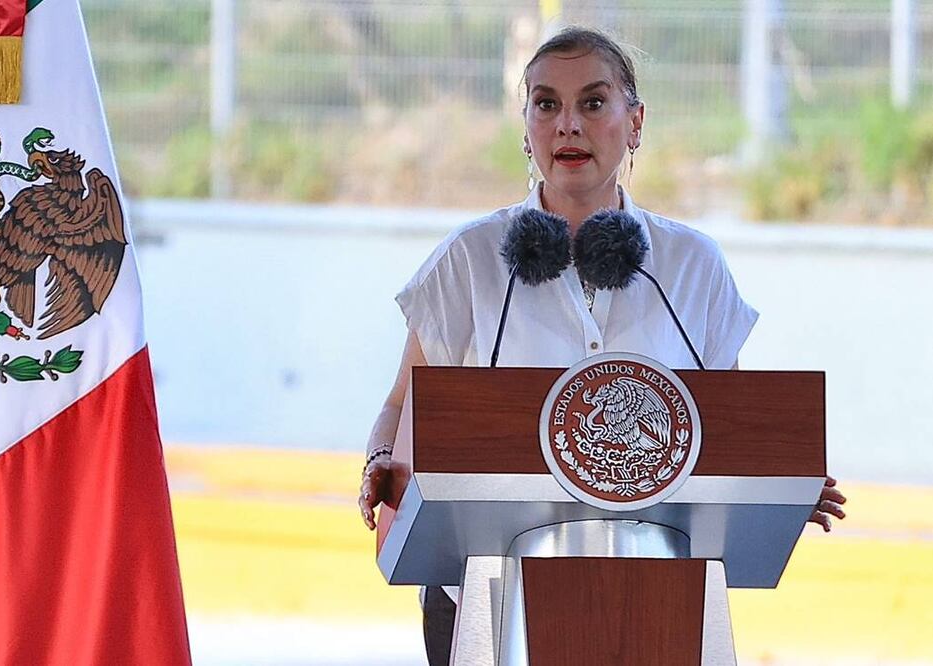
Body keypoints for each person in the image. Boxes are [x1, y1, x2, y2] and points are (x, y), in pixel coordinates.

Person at [356, 26, 847, 666]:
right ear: (526, 126)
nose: (568, 125)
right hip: (483, 597)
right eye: (546, 104)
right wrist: (380, 460)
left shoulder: (691, 266)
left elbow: (726, 427)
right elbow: (401, 405)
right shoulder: (470, 260)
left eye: (592, 102)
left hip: (657, 594)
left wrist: (779, 482)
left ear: (634, 122)